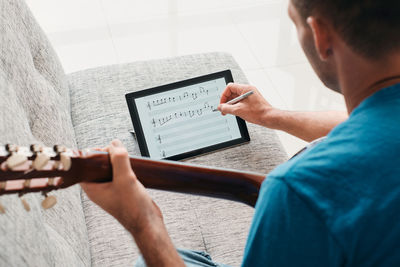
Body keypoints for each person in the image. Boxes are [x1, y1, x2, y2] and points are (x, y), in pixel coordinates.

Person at [81, 0, 400, 266]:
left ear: (320, 36)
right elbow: (365, 123)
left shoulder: (299, 192)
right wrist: (271, 116)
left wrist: (143, 221)